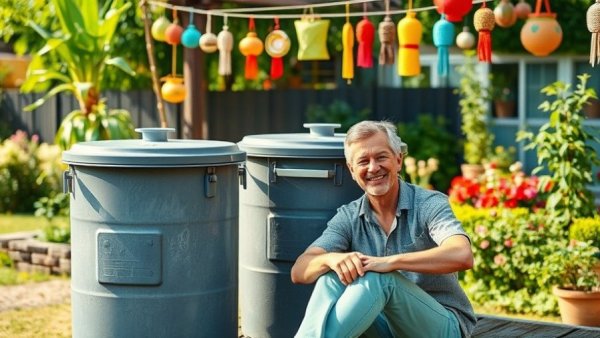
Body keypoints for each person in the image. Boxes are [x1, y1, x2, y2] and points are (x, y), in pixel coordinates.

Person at [291, 120, 476, 338]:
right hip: (384, 326)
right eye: (363, 161)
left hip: (442, 327)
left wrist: (389, 263)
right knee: (330, 277)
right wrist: (330, 259)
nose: (373, 168)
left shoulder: (429, 204)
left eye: (381, 157)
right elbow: (299, 271)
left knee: (380, 278)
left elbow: (462, 255)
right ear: (352, 170)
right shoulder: (348, 217)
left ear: (398, 160)